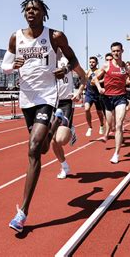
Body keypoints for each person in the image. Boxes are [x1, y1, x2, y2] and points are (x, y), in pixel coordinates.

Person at [1, 0, 85, 233]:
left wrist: (65, 69)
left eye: (35, 9)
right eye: (27, 9)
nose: (31, 12)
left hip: (47, 97)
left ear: (43, 13)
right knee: (43, 147)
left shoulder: (54, 36)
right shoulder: (15, 37)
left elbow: (73, 60)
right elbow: (4, 66)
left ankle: (22, 213)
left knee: (33, 149)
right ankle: (53, 127)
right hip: (26, 99)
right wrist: (12, 66)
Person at [94, 42, 130, 164]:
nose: (116, 53)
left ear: (122, 51)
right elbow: (94, 79)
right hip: (108, 98)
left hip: (121, 97)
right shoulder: (106, 66)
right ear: (111, 52)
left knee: (119, 125)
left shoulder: (126, 67)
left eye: (118, 51)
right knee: (110, 124)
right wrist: (99, 87)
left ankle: (116, 154)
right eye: (114, 51)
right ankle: (110, 133)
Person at [51, 51, 84, 179]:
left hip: (65, 103)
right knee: (53, 141)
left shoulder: (69, 60)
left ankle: (70, 129)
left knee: (60, 140)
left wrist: (79, 91)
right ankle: (65, 166)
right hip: (48, 103)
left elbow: (83, 76)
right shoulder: (44, 60)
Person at [84, 56, 105, 137]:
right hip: (89, 94)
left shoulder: (99, 71)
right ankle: (89, 127)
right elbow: (85, 81)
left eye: (93, 62)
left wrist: (98, 82)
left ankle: (102, 125)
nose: (91, 63)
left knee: (99, 113)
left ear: (96, 63)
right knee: (86, 109)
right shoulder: (87, 71)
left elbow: (103, 80)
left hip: (97, 95)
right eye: (90, 62)